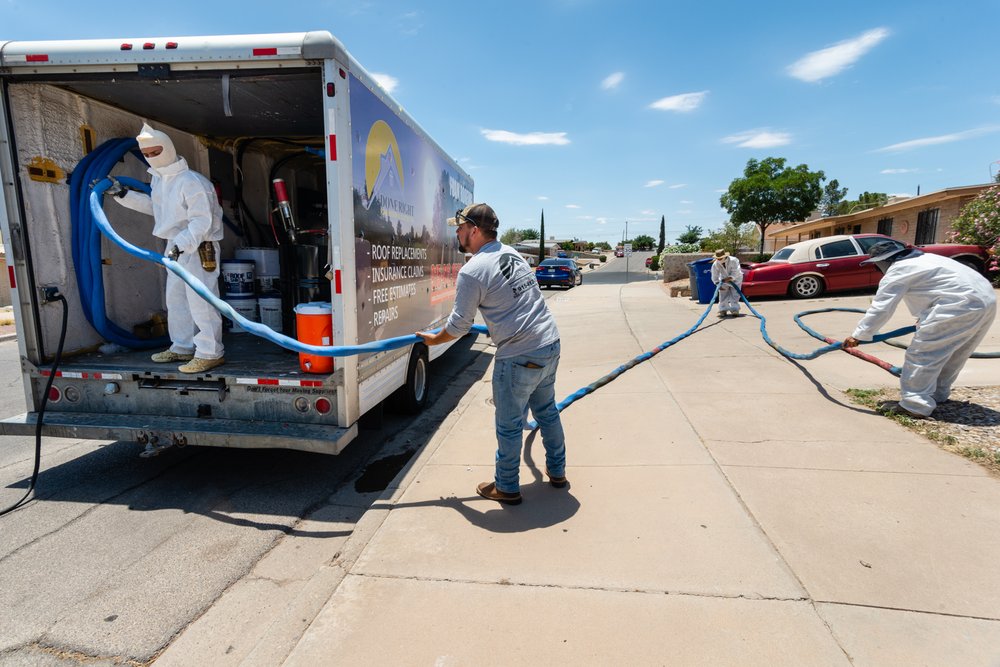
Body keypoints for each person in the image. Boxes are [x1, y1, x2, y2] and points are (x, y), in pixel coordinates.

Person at [416, 203, 566, 505]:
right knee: (547, 411)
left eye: (459, 227)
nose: (456, 233)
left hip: (519, 354)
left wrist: (434, 341)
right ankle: (558, 472)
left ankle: (507, 486)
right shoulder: (512, 254)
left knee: (509, 426)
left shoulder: (472, 271)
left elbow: (459, 325)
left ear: (473, 229)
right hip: (549, 342)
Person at [110, 123, 225, 373]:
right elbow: (157, 209)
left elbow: (202, 221)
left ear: (169, 149)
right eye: (147, 154)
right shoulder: (160, 181)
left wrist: (181, 245)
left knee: (201, 300)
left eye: (156, 151)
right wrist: (123, 195)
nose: (152, 157)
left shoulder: (192, 182)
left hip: (198, 246)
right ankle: (182, 347)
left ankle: (210, 352)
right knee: (177, 299)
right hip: (176, 246)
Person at [843, 240, 996, 418]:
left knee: (922, 355)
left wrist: (859, 335)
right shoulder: (929, 259)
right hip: (986, 301)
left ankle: (915, 404)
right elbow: (939, 288)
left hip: (957, 305)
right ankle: (937, 394)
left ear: (883, 261)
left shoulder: (898, 270)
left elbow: (881, 308)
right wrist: (926, 317)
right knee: (955, 354)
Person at [711, 248, 743, 317]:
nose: (719, 260)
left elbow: (736, 272)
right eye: (718, 258)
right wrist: (717, 284)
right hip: (723, 280)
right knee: (723, 295)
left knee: (735, 294)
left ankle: (735, 309)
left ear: (724, 256)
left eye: (720, 258)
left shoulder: (733, 260)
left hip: (736, 279)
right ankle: (723, 310)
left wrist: (729, 278)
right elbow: (714, 275)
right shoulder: (715, 264)